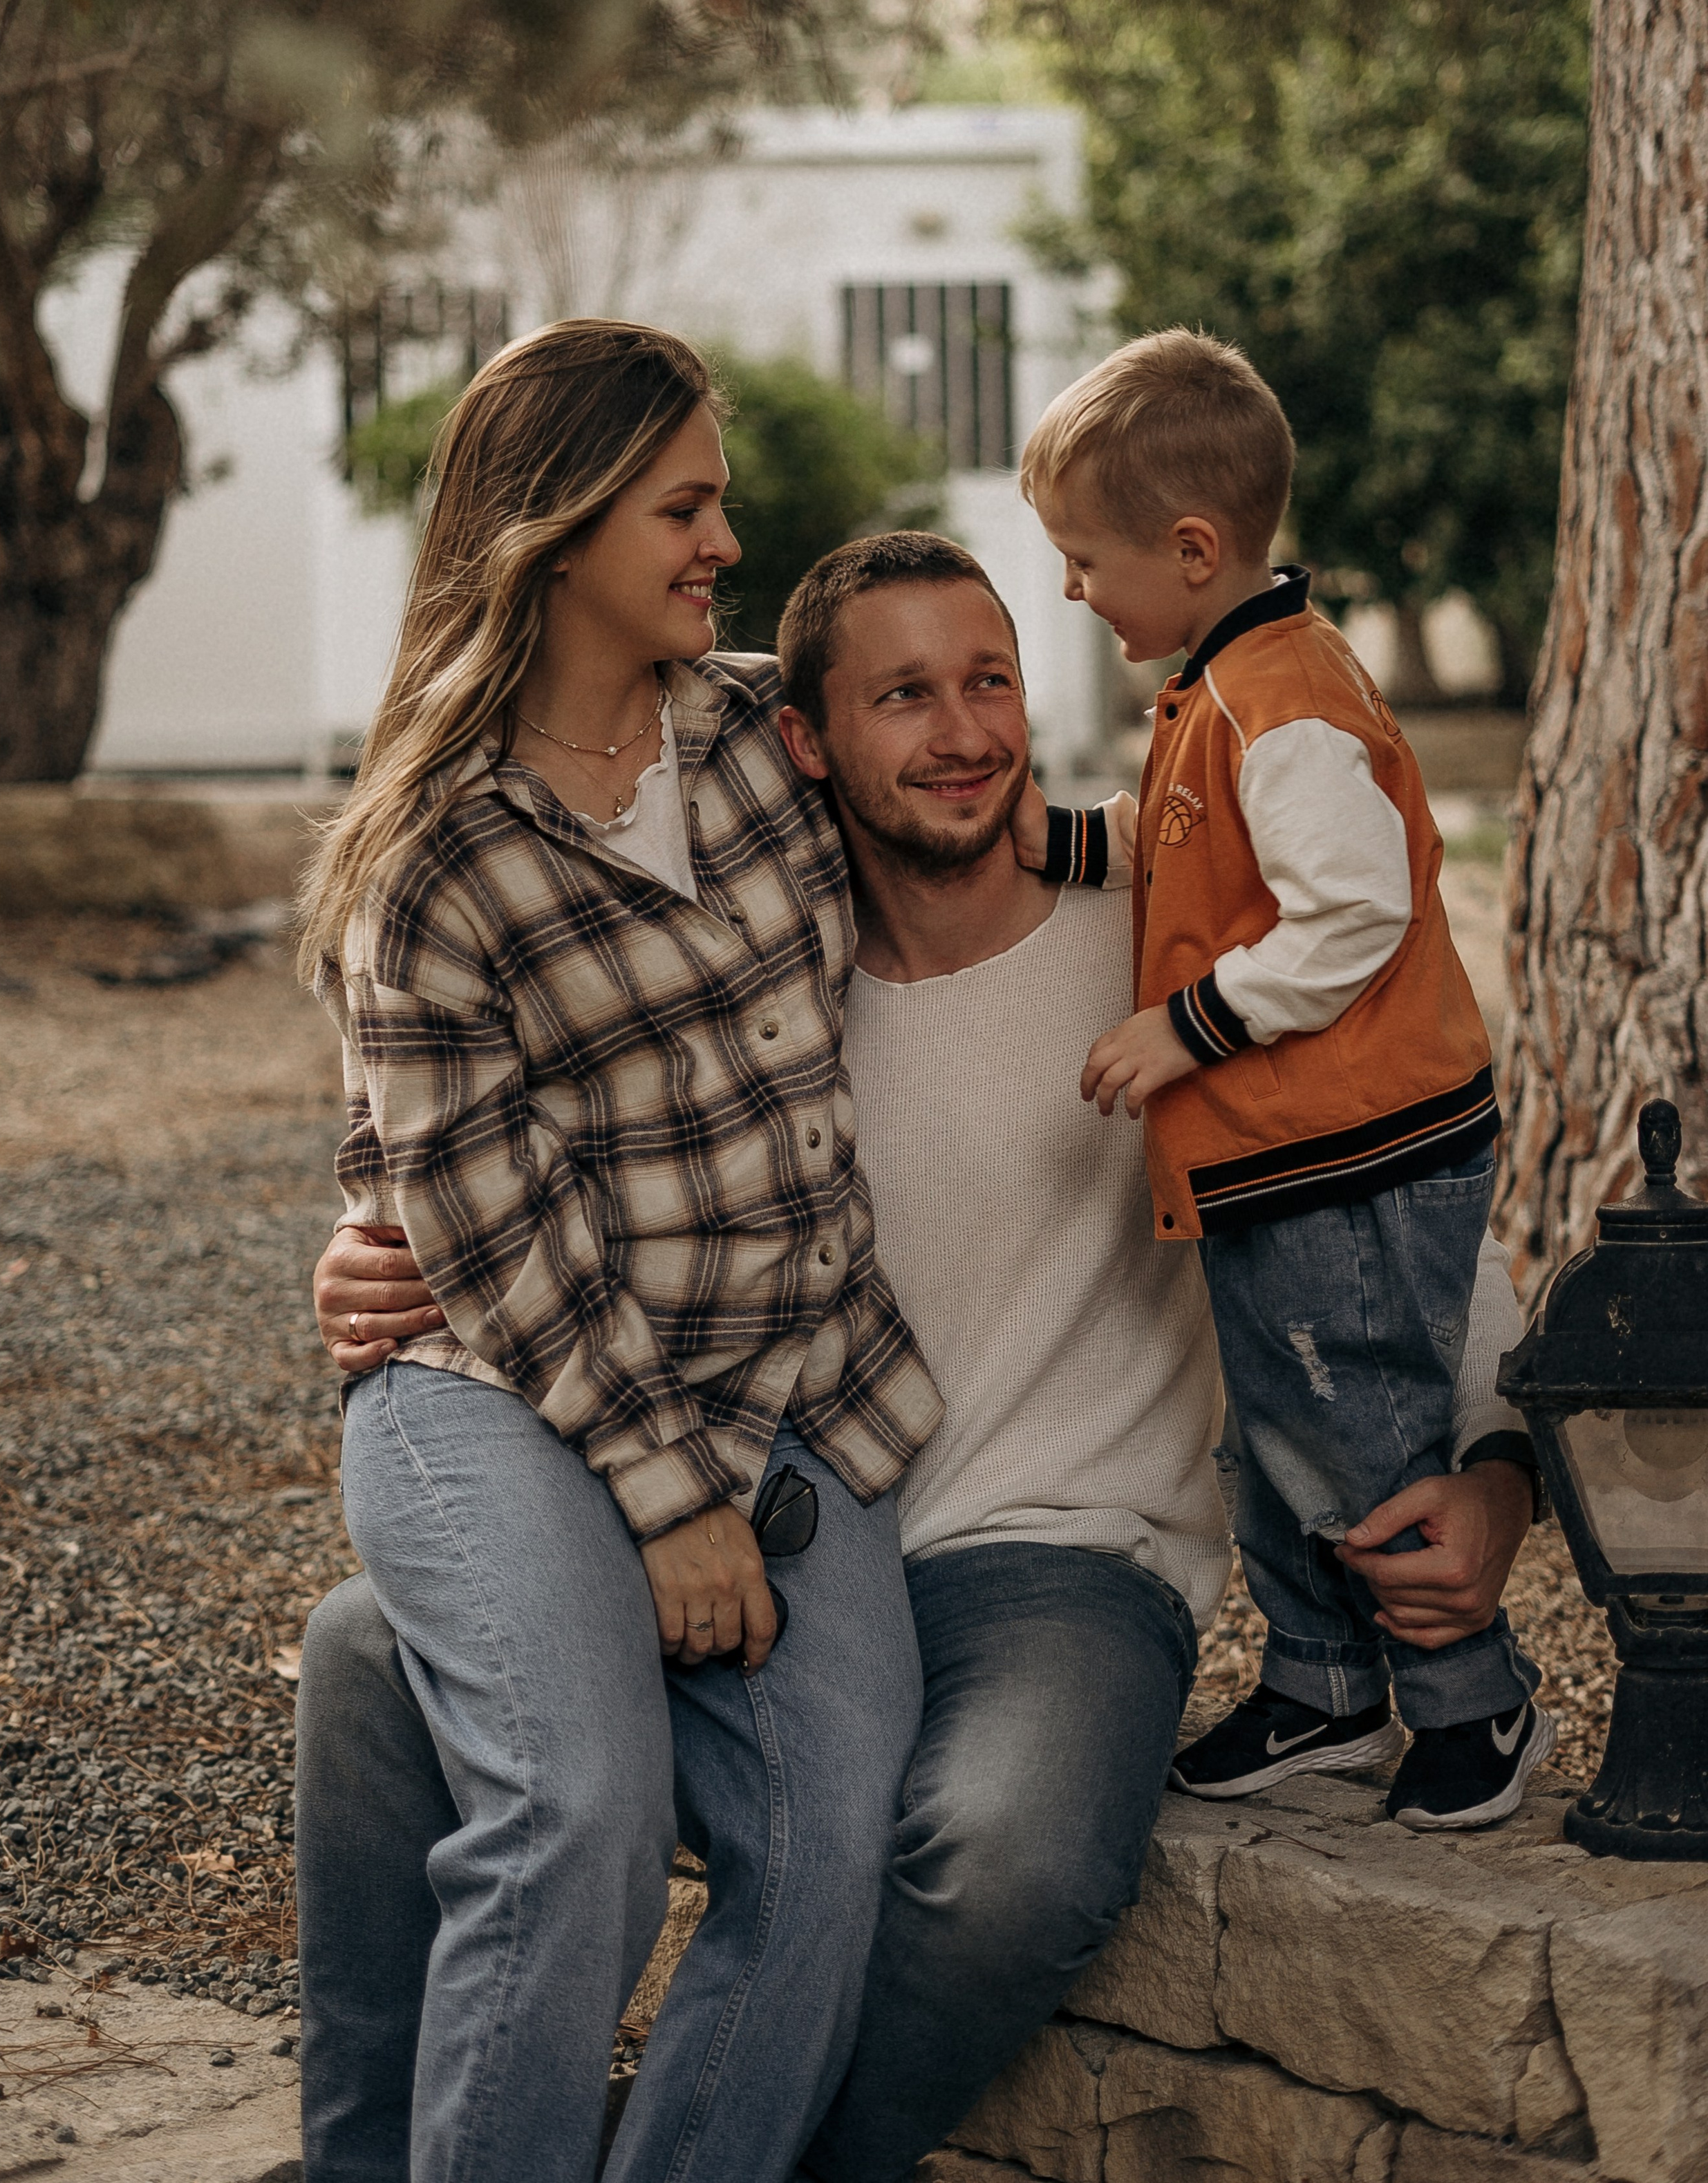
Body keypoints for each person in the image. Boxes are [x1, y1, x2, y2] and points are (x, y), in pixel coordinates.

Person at [304, 530, 1541, 2183]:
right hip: (782, 1511)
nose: (963, 734)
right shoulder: (759, 981)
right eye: (902, 697)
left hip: (1056, 1561)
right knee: (366, 1660)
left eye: (990, 683)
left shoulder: (1171, 968)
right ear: (801, 739)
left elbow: (1391, 1216)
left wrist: (1494, 1474)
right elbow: (512, 1163)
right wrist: (378, 1246)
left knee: (1001, 1850)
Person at [293, 322, 946, 2183]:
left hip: (788, 1393)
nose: (725, 539)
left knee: (829, 1843)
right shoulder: (432, 848)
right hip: (497, 1387)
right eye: (685, 503)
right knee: (580, 1809)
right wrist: (670, 1505)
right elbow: (480, 1221)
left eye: (719, 499)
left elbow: (962, 818)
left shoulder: (757, 735)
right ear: (562, 526)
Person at [1020, 325, 1551, 1832]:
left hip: (1354, 1153)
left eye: (1081, 559)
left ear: (1189, 549)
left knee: (1361, 1430)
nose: (1070, 588)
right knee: (1277, 1431)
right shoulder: (1229, 685)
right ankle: (1322, 1686)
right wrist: (1054, 847)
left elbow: (1351, 911)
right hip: (1295, 1157)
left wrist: (1182, 1027)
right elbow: (1180, 837)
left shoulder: (1286, 703)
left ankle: (1469, 1700)